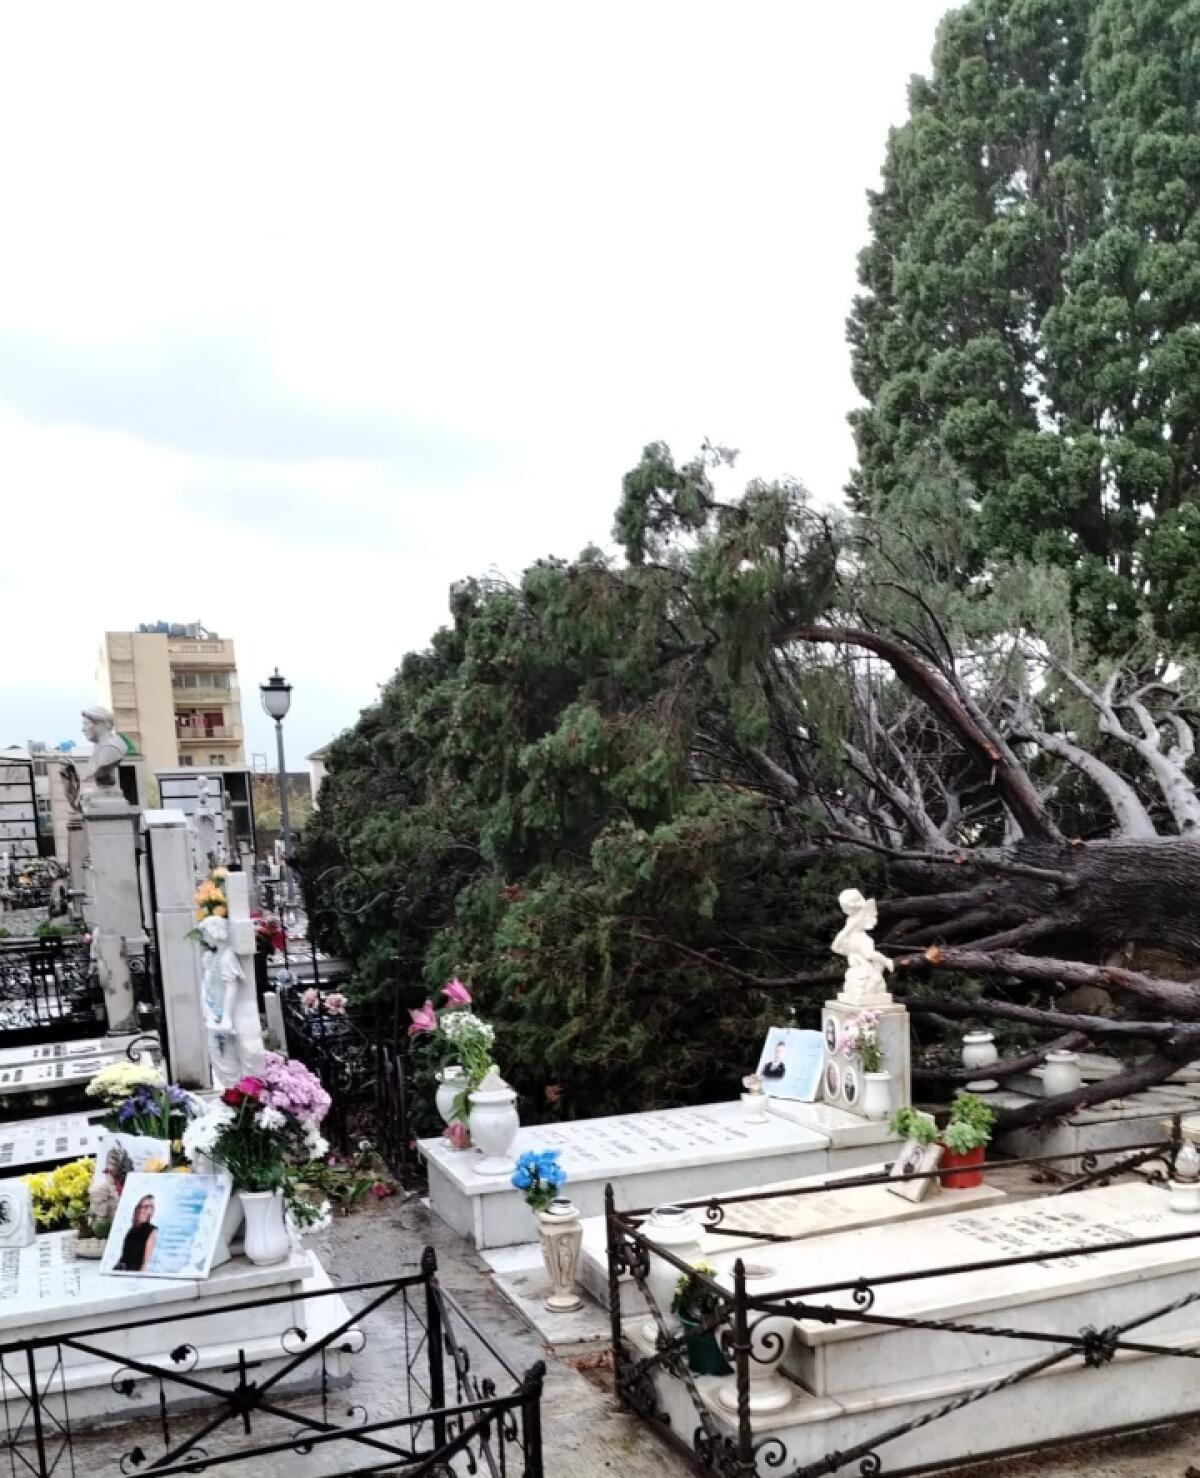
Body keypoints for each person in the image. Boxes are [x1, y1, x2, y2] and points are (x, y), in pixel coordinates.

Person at [115, 1195, 157, 1272]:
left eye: (146, 1207)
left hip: (135, 1273)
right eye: (140, 1206)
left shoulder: (152, 1231)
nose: (142, 1210)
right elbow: (125, 1256)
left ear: (151, 1210)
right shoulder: (132, 1230)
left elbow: (146, 1262)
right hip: (122, 1271)